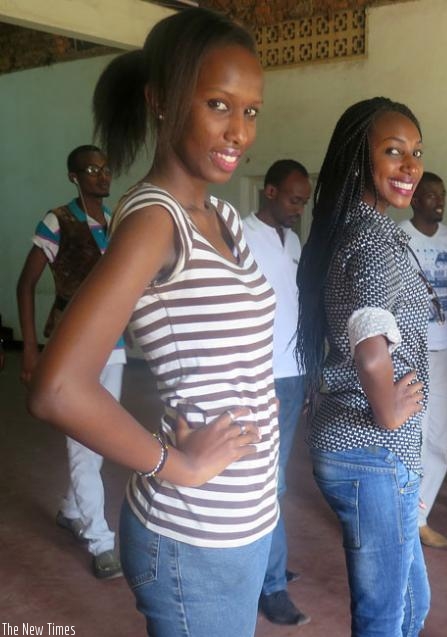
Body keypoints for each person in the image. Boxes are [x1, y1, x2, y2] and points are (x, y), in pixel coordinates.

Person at [27, 9, 279, 636]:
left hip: (243, 519)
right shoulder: (153, 221)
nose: (239, 131)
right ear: (162, 101)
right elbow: (57, 388)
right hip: (192, 534)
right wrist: (177, 465)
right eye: (219, 104)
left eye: (251, 111)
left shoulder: (220, 214)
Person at [295, 97, 430, 636]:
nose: (410, 167)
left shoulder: (363, 228)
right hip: (370, 452)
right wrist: (390, 413)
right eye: (393, 152)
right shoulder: (369, 240)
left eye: (416, 153)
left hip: (367, 453)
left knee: (411, 608)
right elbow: (370, 344)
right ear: (358, 161)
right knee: (383, 619)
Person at [16, 145, 125, 580]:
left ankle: (69, 507)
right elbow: (26, 285)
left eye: (105, 167)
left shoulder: (117, 223)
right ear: (73, 177)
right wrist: (29, 348)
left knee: (93, 441)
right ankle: (100, 540)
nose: (101, 175)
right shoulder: (57, 220)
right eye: (91, 170)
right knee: (87, 443)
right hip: (71, 345)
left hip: (113, 346)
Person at [243, 158, 311, 625]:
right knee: (268, 482)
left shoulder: (295, 241)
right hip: (258, 374)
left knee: (274, 478)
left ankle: (267, 563)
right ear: (268, 192)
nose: (298, 208)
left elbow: (295, 306)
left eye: (303, 201)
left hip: (292, 374)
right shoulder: (241, 234)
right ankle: (270, 586)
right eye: (292, 199)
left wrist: (308, 372)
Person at [398, 171, 447, 550]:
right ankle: (401, 511)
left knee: (438, 437)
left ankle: (419, 518)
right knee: (409, 434)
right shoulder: (399, 235)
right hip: (408, 349)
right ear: (415, 199)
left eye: (442, 194)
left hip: (442, 349)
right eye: (431, 195)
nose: (439, 200)